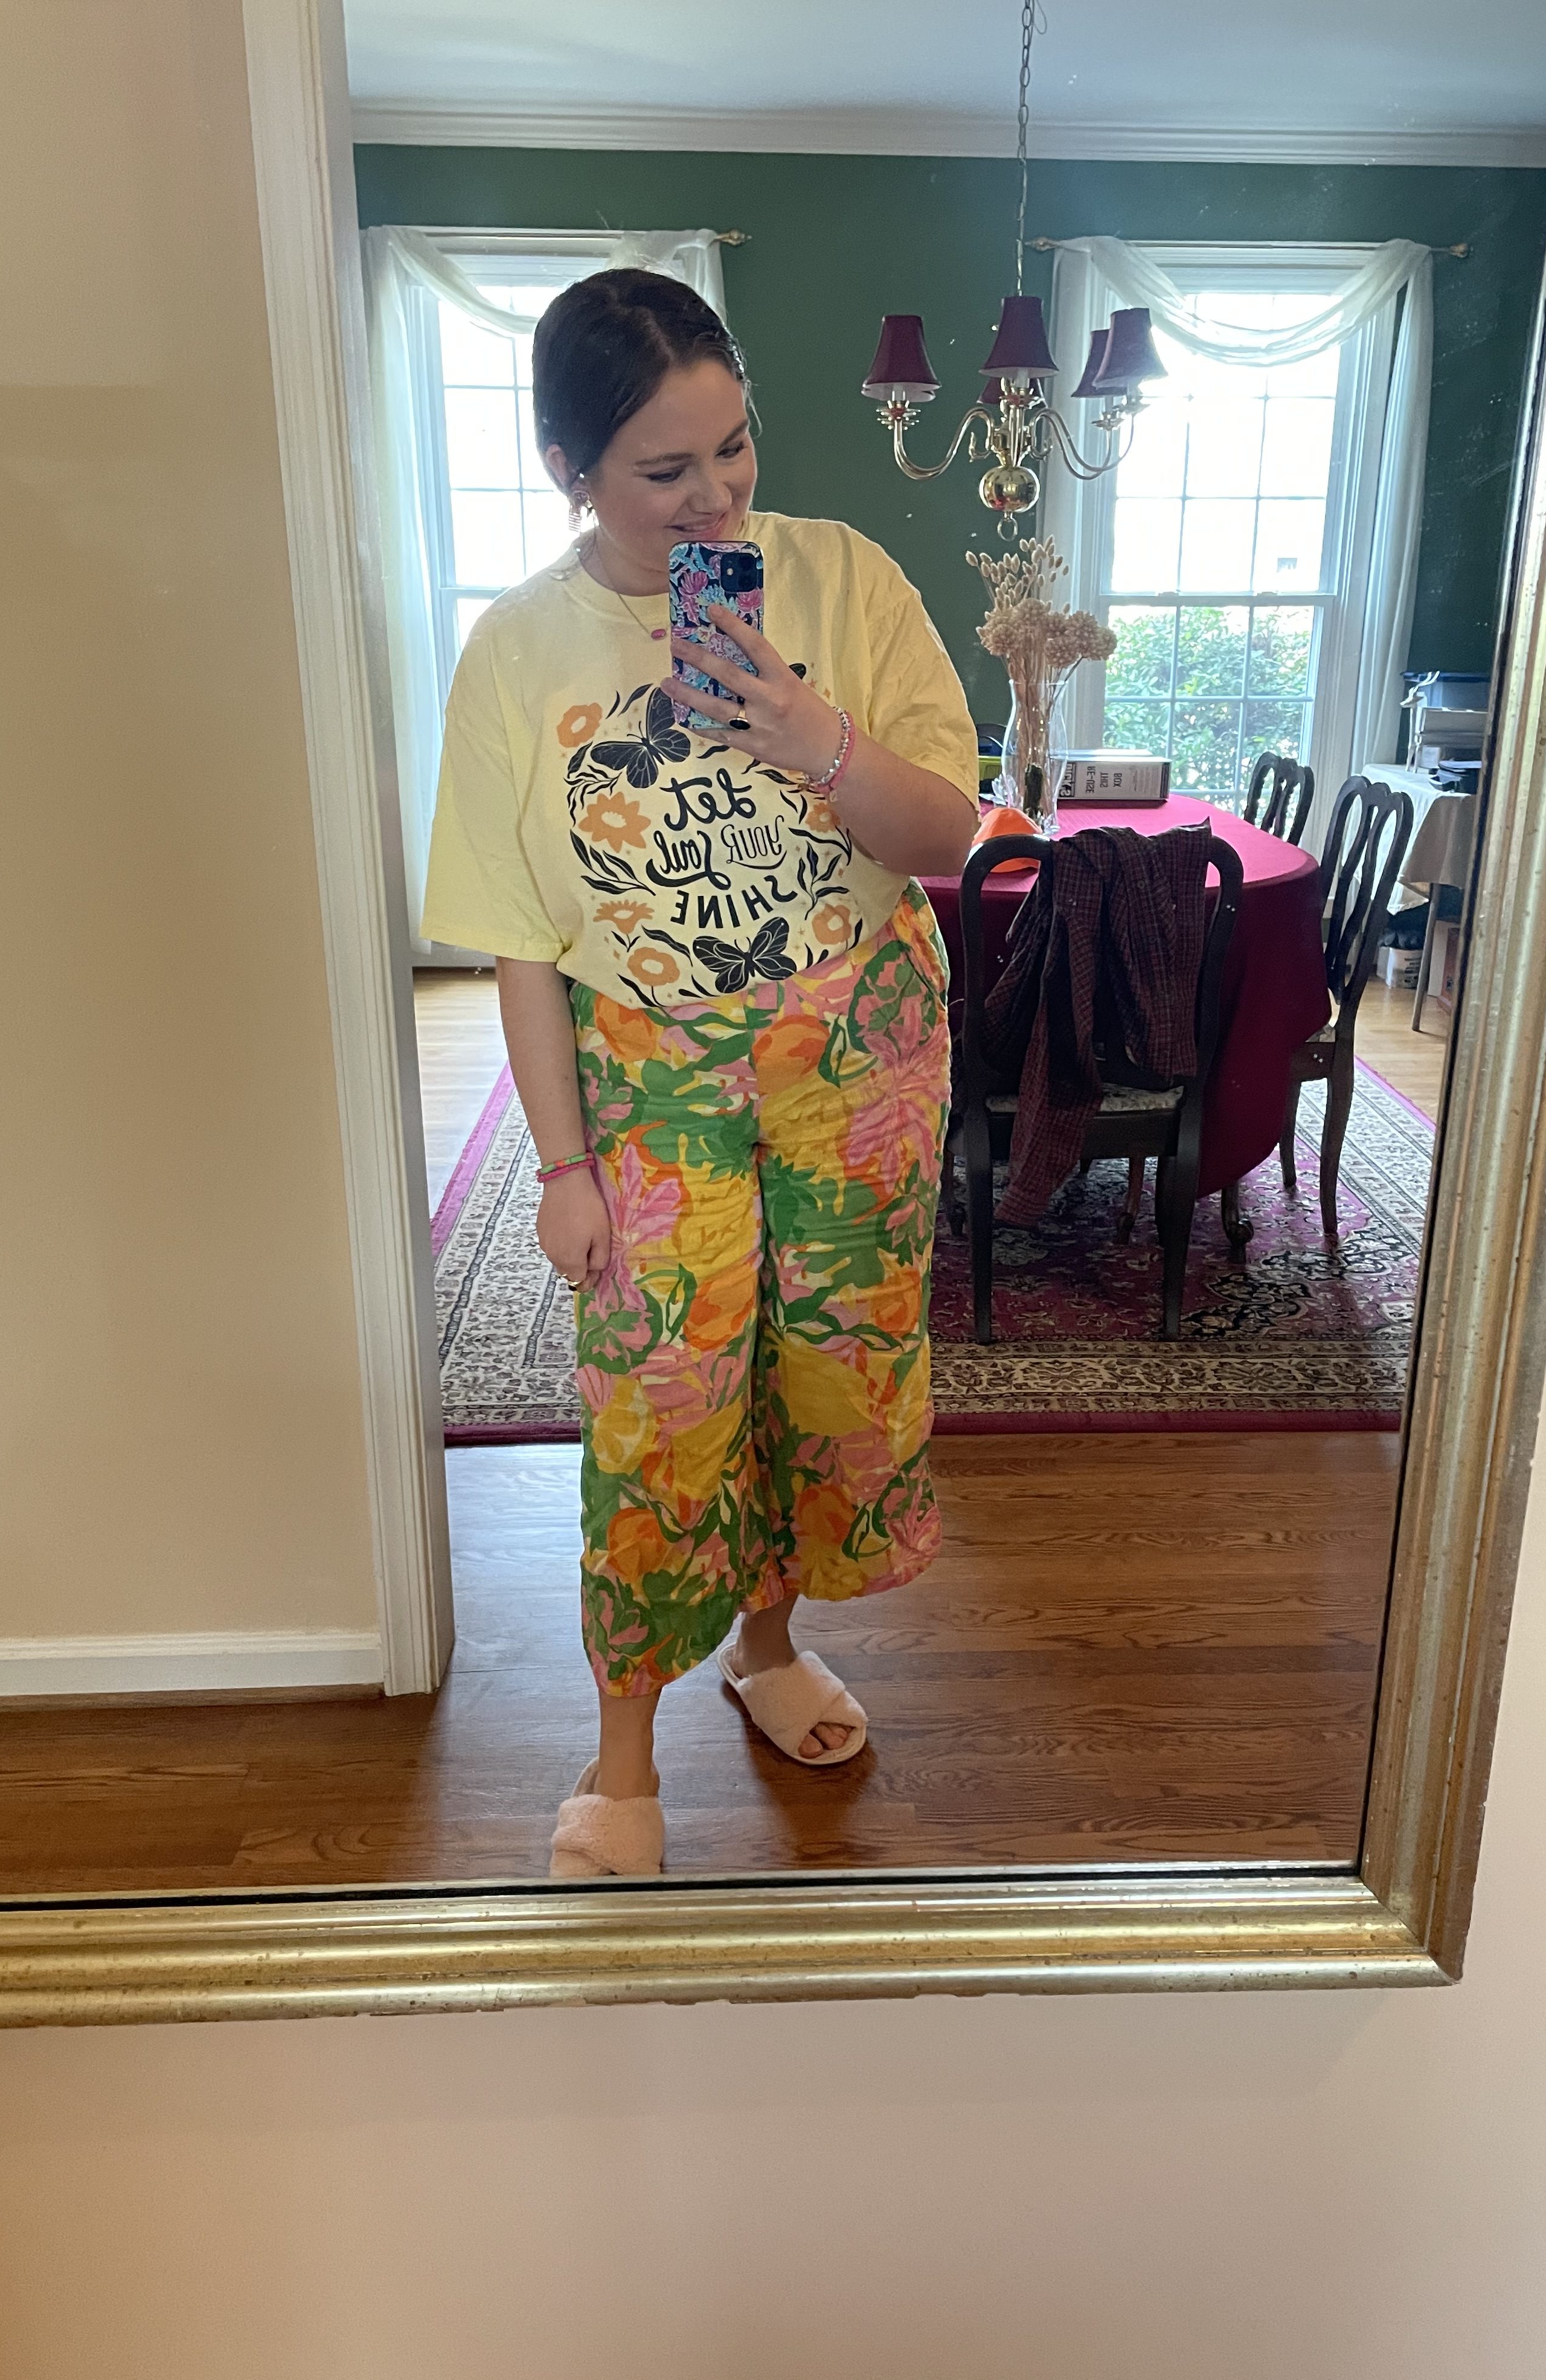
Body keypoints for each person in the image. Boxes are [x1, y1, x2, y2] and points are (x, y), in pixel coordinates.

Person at [420, 269, 979, 1876]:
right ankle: (621, 1758)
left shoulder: (845, 580)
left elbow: (949, 837)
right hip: (648, 1072)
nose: (717, 496)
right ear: (569, 470)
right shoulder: (518, 652)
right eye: (665, 470)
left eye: (734, 447)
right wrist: (560, 1168)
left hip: (857, 1042)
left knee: (828, 1366)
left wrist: (811, 733)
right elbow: (518, 938)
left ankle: (769, 1646)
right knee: (661, 1396)